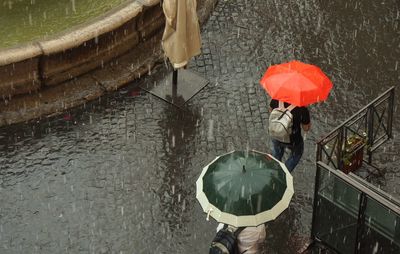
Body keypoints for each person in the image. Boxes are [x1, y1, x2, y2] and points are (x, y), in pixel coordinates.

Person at [269, 99, 311, 172]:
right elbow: (306, 128)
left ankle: (274, 169)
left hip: (277, 134)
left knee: (277, 153)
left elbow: (271, 110)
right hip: (293, 139)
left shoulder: (276, 99)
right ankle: (285, 173)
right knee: (297, 153)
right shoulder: (302, 108)